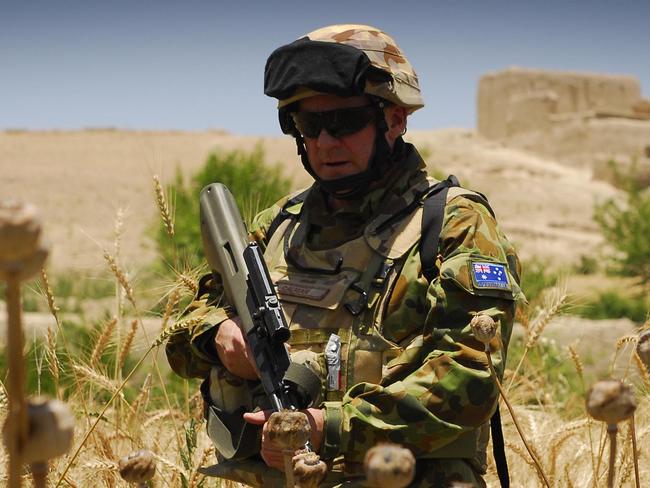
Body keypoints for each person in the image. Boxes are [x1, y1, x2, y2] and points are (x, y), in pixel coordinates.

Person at [166, 24, 523, 487]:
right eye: (308, 125)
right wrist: (217, 336)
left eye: (345, 122)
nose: (325, 142)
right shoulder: (278, 225)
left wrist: (326, 428)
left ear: (394, 118)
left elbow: (469, 379)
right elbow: (181, 332)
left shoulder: (452, 224)